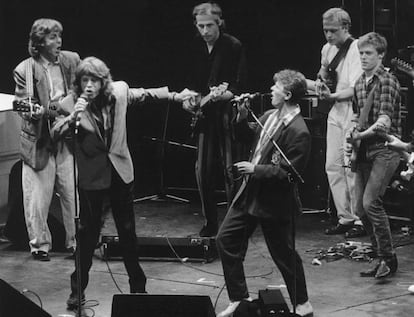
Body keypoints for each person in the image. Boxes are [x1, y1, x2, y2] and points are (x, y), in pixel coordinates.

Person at [51, 56, 196, 310]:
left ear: (103, 81)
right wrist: (73, 116)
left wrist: (174, 96)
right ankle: (77, 291)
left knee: (127, 233)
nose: (89, 85)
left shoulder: (119, 91)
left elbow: (145, 95)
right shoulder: (70, 104)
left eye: (94, 80)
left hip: (120, 172)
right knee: (87, 237)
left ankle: (137, 287)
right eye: (84, 80)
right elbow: (56, 133)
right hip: (92, 179)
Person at [216, 69, 313, 317]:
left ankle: (302, 304)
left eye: (276, 87)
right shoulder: (270, 116)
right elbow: (250, 138)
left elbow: (288, 174)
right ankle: (239, 298)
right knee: (226, 239)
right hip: (250, 194)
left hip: (274, 201)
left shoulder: (299, 132)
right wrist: (242, 116)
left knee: (284, 255)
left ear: (288, 94)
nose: (271, 90)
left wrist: (255, 169)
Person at [13, 18, 80, 261]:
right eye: (53, 37)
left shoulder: (71, 60)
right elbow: (25, 106)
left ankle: (76, 243)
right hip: (40, 140)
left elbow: (79, 90)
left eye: (59, 36)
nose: (59, 42)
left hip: (66, 138)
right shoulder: (25, 70)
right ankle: (40, 245)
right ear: (39, 43)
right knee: (37, 200)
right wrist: (35, 111)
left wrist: (58, 108)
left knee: (72, 196)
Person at [183, 2, 248, 237]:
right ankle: (210, 221)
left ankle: (235, 222)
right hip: (204, 114)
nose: (204, 31)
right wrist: (190, 99)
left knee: (232, 169)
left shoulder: (232, 46)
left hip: (226, 112)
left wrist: (226, 93)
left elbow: (240, 83)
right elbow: (190, 82)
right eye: (200, 26)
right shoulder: (194, 46)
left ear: (219, 22)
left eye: (209, 25)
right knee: (203, 170)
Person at [307, 8, 366, 238]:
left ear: (346, 27)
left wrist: (331, 96)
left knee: (351, 167)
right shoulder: (326, 49)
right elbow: (324, 77)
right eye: (325, 30)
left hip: (353, 110)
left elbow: (355, 88)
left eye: (333, 31)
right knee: (332, 165)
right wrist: (320, 83)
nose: (328, 35)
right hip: (335, 111)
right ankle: (345, 217)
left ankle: (360, 219)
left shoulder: (355, 48)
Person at [346, 32, 401, 279]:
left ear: (381, 55)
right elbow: (358, 115)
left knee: (370, 203)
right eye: (361, 53)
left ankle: (388, 258)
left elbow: (383, 123)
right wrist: (352, 130)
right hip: (366, 150)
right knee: (359, 208)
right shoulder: (359, 83)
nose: (364, 57)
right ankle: (379, 255)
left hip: (386, 149)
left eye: (369, 53)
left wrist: (360, 135)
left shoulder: (387, 81)